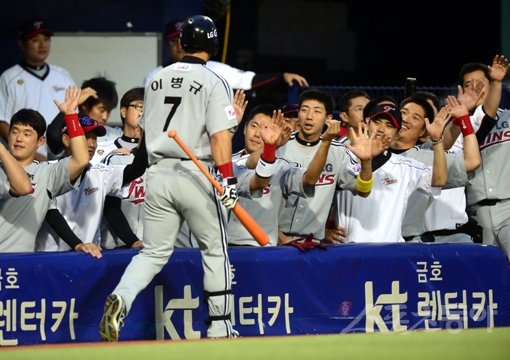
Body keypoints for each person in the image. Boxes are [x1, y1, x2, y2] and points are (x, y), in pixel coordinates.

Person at [100, 15, 242, 341]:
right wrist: (229, 180)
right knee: (215, 249)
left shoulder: (155, 79)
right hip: (197, 171)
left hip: (158, 171)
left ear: (183, 42)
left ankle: (122, 295)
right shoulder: (213, 80)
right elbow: (221, 138)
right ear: (212, 44)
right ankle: (220, 327)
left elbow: (147, 135)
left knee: (152, 252)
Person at [275, 89, 379, 244]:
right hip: (272, 240)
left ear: (328, 118)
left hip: (312, 244)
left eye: (317, 111)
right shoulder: (279, 145)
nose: (309, 116)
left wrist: (366, 162)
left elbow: (364, 191)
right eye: (304, 110)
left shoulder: (339, 152)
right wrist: (281, 239)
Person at [35, 115, 146, 257]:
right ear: (67, 140)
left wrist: (146, 135)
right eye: (86, 137)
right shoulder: (47, 170)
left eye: (94, 138)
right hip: (51, 258)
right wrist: (77, 244)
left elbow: (136, 170)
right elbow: (51, 214)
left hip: (89, 256)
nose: (92, 144)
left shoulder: (99, 173)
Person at [0, 86, 89, 252]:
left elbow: (81, 160)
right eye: (15, 132)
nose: (19, 138)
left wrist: (70, 115)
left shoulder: (47, 174)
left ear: (40, 141)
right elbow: (23, 187)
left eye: (27, 134)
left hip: (20, 266)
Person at [143, 18, 309, 91]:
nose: (179, 46)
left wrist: (282, 76)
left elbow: (249, 80)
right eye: (173, 41)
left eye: (182, 39)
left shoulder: (215, 69)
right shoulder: (154, 75)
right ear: (167, 43)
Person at [0, 17, 76, 160]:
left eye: (46, 39)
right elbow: (2, 121)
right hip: (23, 160)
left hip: (61, 156)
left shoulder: (63, 75)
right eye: (35, 40)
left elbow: (73, 117)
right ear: (22, 44)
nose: (42, 45)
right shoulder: (9, 77)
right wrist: (30, 154)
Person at [99, 87, 145, 249]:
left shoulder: (160, 153)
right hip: (115, 244)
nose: (144, 113)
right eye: (140, 106)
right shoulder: (108, 150)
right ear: (124, 111)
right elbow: (109, 205)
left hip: (152, 245)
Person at [46, 76, 120, 160]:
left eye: (109, 111)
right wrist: (70, 107)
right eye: (101, 110)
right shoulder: (69, 128)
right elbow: (53, 137)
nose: (105, 117)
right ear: (85, 105)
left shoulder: (114, 134)